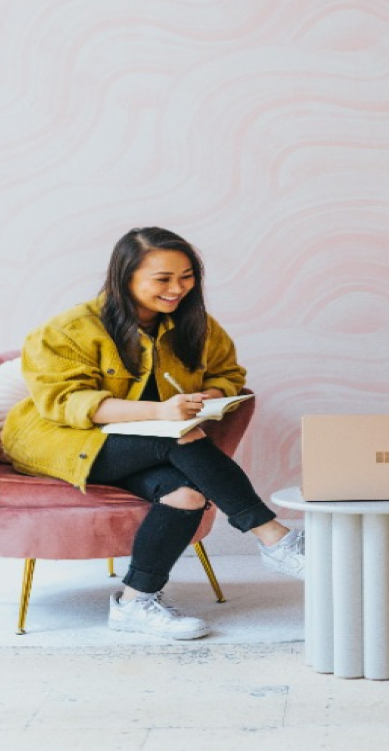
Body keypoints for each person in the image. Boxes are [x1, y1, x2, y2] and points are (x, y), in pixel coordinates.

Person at [3, 227, 304, 640]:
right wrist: (161, 413)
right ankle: (274, 537)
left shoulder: (195, 325)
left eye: (186, 276)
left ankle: (135, 602)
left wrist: (210, 396)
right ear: (124, 277)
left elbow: (228, 373)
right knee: (180, 437)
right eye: (162, 279)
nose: (177, 288)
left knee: (186, 495)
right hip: (60, 442)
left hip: (144, 448)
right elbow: (68, 403)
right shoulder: (70, 328)